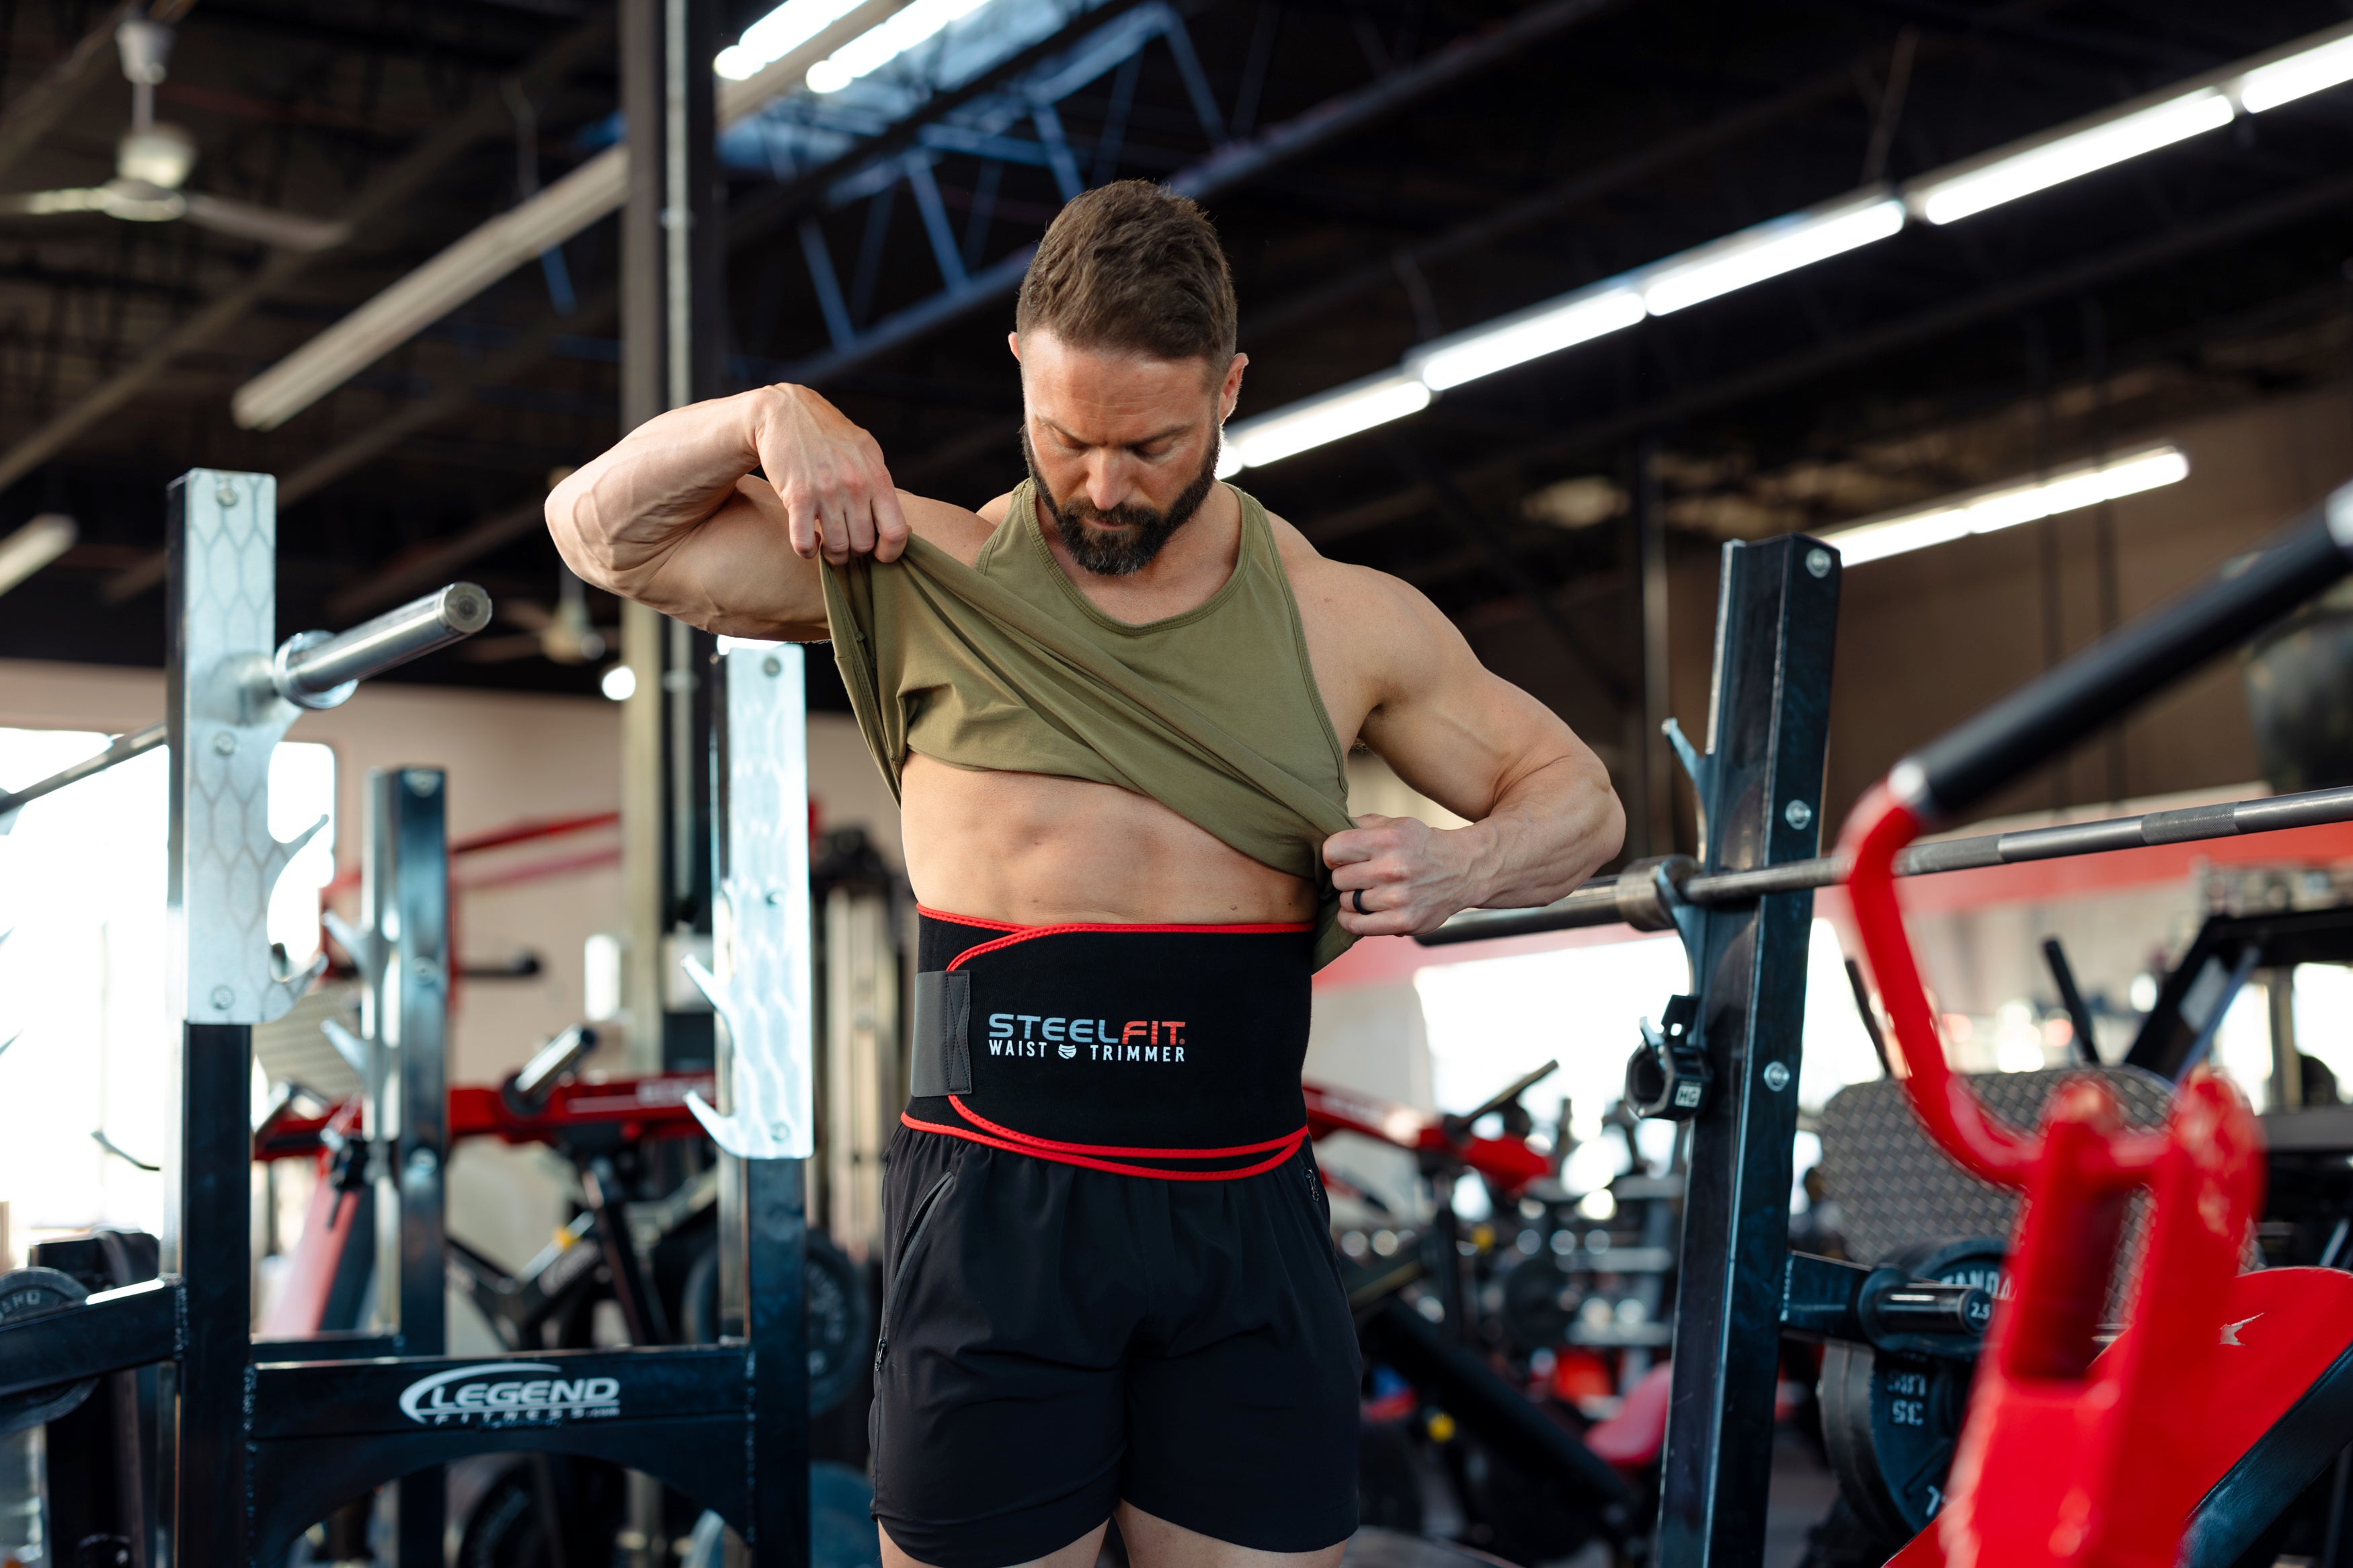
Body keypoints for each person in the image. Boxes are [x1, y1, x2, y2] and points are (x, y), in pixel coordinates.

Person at [549, 180, 1624, 1568]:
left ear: (1228, 391)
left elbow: (1581, 800)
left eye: (1152, 444)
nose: (1105, 486)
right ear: (1019, 371)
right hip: (996, 1211)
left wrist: (1469, 859)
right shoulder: (917, 566)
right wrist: (763, 416)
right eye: (1067, 438)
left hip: (1244, 1211)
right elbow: (600, 531)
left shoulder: (1344, 619)